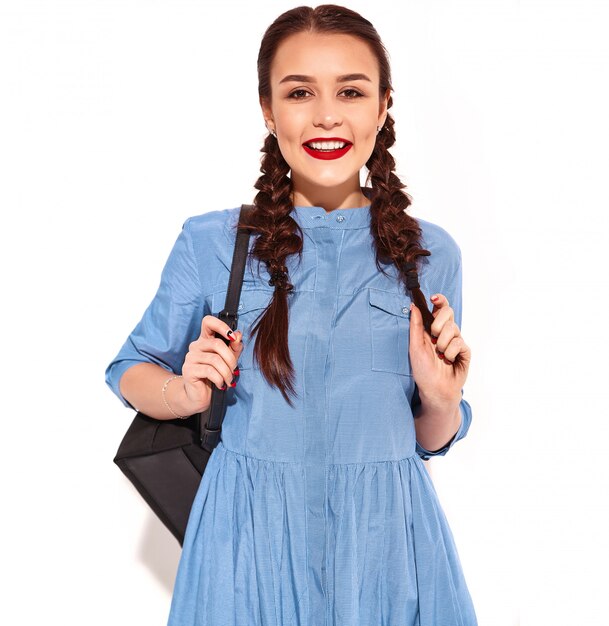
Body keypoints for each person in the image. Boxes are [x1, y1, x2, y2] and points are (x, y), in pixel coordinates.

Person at [105, 4, 477, 624]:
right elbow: (129, 368)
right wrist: (187, 392)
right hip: (244, 541)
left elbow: (428, 438)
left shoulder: (429, 255)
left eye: (351, 91)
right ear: (268, 110)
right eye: (299, 92)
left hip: (388, 544)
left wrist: (440, 400)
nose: (326, 114)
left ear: (383, 107)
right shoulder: (213, 242)